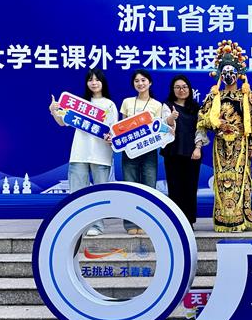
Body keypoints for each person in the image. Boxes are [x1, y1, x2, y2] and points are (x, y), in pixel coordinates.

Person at [197, 40, 252, 232]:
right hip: (221, 145)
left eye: (232, 72)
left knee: (241, 180)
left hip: (241, 144)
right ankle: (224, 220)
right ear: (220, 74)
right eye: (225, 72)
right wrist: (217, 123)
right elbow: (202, 118)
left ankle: (242, 219)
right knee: (223, 181)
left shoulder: (246, 96)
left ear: (239, 74)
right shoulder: (214, 96)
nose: (229, 76)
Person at [49, 69, 118, 236]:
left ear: (103, 82)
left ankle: (97, 226)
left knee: (99, 194)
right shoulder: (79, 104)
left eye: (97, 79)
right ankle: (77, 225)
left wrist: (111, 137)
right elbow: (62, 122)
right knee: (77, 193)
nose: (94, 83)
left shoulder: (109, 104)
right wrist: (54, 111)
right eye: (90, 80)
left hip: (101, 155)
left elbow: (114, 130)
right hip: (79, 153)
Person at [120, 68, 174, 235]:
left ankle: (147, 222)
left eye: (143, 80)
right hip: (129, 151)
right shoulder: (127, 102)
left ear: (150, 83)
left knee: (149, 187)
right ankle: (130, 223)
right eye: (137, 81)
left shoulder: (157, 105)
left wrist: (170, 129)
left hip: (149, 150)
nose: (140, 83)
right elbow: (121, 127)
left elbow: (160, 128)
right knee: (130, 187)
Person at [161, 74, 201, 229]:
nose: (181, 90)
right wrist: (171, 117)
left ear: (189, 89)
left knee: (190, 187)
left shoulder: (195, 107)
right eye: (177, 87)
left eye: (184, 87)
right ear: (173, 90)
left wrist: (198, 148)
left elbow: (201, 130)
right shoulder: (167, 105)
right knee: (175, 188)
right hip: (173, 152)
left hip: (192, 153)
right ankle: (176, 222)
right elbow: (164, 126)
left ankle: (189, 221)